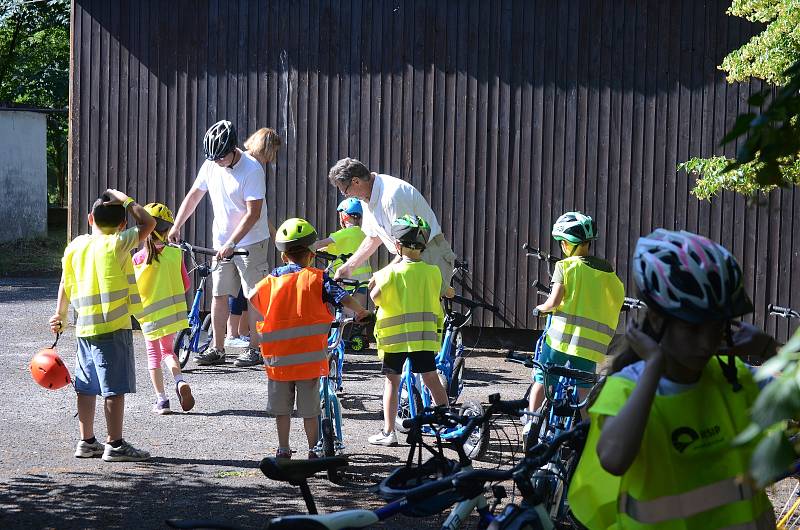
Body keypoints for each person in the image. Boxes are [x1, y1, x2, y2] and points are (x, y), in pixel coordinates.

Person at [568, 229, 778, 530]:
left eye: (716, 327)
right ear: (656, 320)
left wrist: (769, 349)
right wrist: (653, 366)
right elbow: (613, 458)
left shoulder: (734, 377)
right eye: (692, 329)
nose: (706, 343)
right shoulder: (627, 388)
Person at [249, 218, 371, 459]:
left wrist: (271, 312)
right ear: (313, 254)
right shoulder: (318, 279)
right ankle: (314, 449)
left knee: (281, 410)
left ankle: (283, 448)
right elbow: (343, 297)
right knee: (310, 410)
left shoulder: (272, 280)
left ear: (284, 257)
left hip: (278, 360)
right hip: (309, 360)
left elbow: (253, 295)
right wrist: (361, 312)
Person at [49, 189, 155, 462]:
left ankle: (86, 442)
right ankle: (115, 444)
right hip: (113, 326)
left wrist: (59, 315)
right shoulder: (118, 242)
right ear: (122, 225)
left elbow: (64, 281)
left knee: (86, 386)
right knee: (113, 388)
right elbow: (149, 223)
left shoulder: (75, 246)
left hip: (83, 327)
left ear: (89, 219)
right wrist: (127, 199)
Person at [168, 120, 271, 368]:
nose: (218, 162)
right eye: (213, 158)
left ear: (233, 148)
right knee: (218, 293)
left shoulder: (252, 169)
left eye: (221, 157)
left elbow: (253, 214)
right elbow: (194, 195)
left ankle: (255, 348)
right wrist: (177, 224)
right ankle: (218, 347)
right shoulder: (211, 165)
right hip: (222, 242)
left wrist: (233, 242)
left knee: (253, 295)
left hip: (251, 242)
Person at [525, 212, 624, 432]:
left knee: (543, 377)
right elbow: (615, 298)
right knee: (584, 392)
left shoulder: (566, 266)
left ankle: (531, 423)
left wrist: (540, 309)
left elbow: (554, 302)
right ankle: (586, 433)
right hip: (590, 347)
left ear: (568, 245)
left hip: (560, 341)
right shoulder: (608, 271)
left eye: (562, 243)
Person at [367, 215, 449, 447]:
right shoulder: (433, 272)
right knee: (431, 379)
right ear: (423, 246)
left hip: (395, 340)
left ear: (397, 245)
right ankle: (447, 423)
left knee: (392, 383)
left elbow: (376, 298)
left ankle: (388, 431)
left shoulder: (389, 274)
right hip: (423, 338)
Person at [327, 158, 457, 297]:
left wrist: (384, 274)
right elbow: (373, 237)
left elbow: (409, 244)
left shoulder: (392, 196)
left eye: (345, 191)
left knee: (419, 311)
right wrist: (349, 266)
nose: (346, 196)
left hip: (428, 254)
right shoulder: (366, 197)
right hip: (410, 255)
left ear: (356, 181)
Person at [132, 203, 195, 415]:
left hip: (149, 315)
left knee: (153, 356)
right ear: (167, 230)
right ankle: (179, 380)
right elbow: (185, 285)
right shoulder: (175, 255)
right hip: (172, 315)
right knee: (168, 352)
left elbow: (132, 287)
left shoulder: (138, 259)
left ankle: (161, 400)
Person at [313, 197, 372, 309]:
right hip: (362, 281)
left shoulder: (342, 234)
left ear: (344, 216)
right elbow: (347, 248)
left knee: (340, 312)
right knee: (356, 313)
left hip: (344, 280)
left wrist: (308, 247)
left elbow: (319, 244)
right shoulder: (364, 234)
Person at [243, 126, 283, 242]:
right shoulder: (254, 168)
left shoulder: (241, 161)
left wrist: (274, 234)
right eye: (274, 151)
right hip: (253, 238)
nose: (273, 156)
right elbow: (256, 213)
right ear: (267, 148)